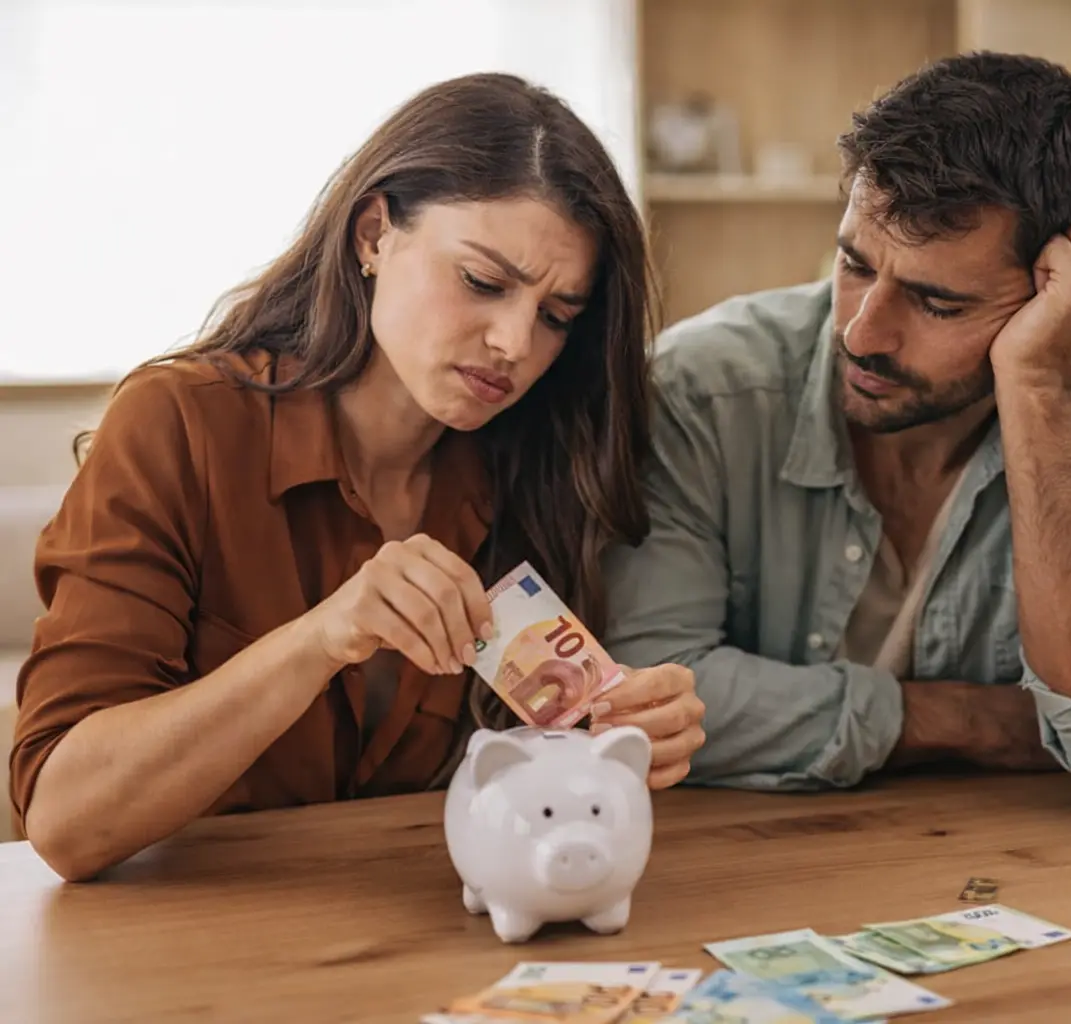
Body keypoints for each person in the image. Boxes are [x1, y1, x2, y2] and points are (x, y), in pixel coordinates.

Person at [10, 73, 706, 881]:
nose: (516, 343)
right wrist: (319, 638)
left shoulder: (541, 466)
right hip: (181, 958)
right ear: (374, 234)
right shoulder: (179, 424)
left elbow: (523, 806)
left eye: (556, 316)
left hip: (415, 945)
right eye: (483, 282)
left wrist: (616, 744)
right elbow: (63, 820)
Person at [598, 53, 1071, 812]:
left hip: (1047, 879)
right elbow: (637, 704)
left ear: (1054, 290)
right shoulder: (702, 388)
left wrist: (1039, 383)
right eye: (853, 264)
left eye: (938, 305)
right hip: (744, 868)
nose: (863, 333)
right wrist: (960, 720)